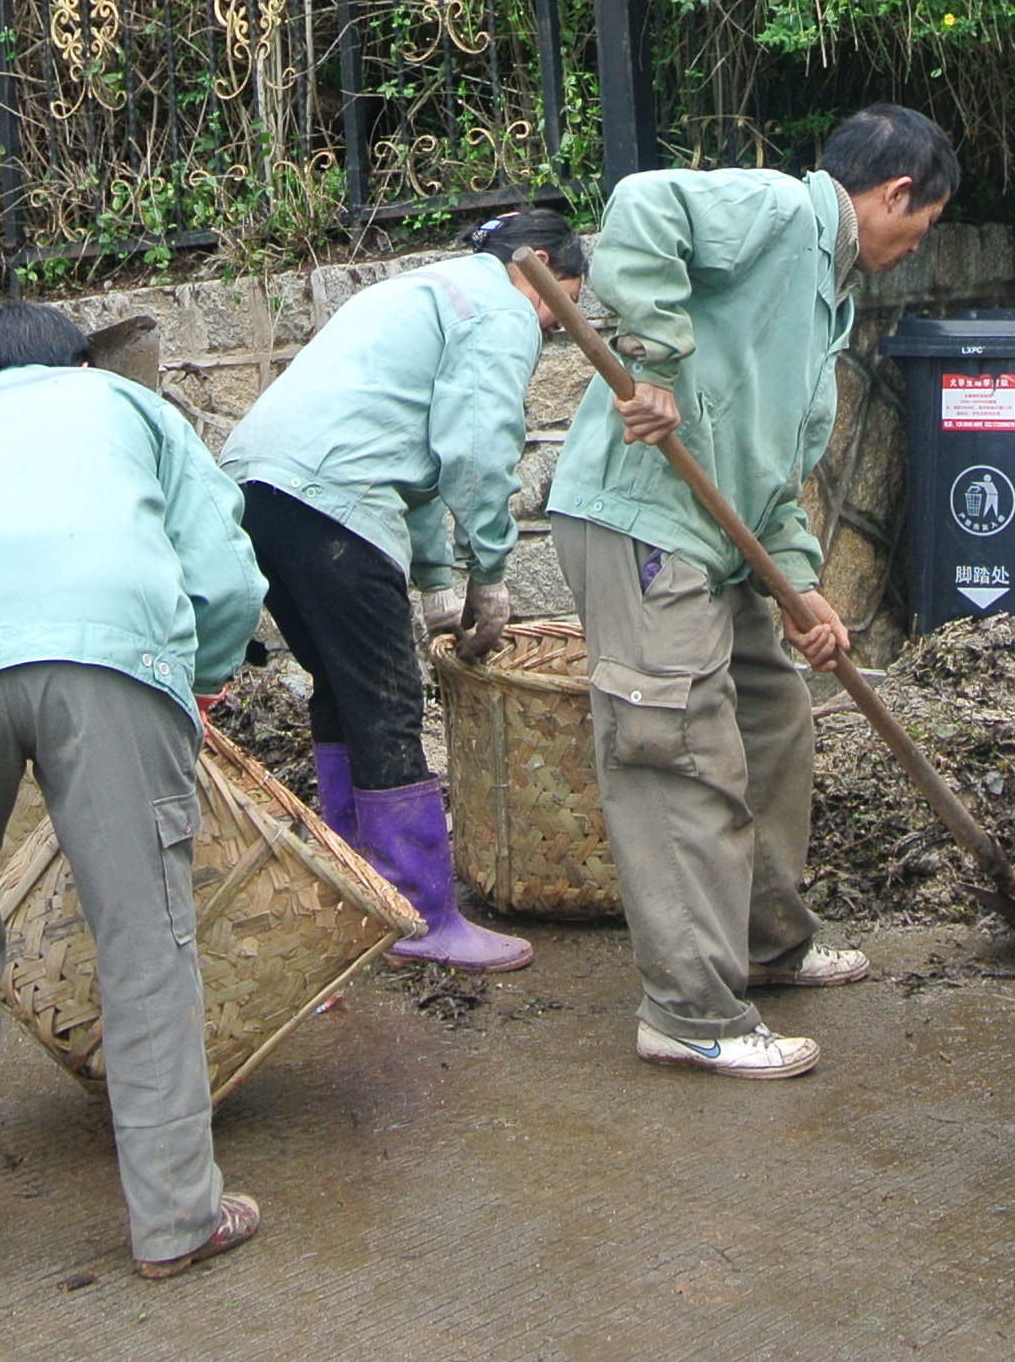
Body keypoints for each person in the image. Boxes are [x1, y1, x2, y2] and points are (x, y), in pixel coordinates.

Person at [0, 300, 271, 1276]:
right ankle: (174, 1218)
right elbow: (225, 580)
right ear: (81, 364)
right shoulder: (127, 408)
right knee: (144, 942)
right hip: (110, 654)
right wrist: (194, 682)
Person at [546, 105, 957, 1080]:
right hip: (643, 523)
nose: (914, 247)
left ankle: (767, 945)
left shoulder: (824, 298)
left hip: (720, 544)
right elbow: (642, 208)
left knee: (775, 722)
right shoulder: (777, 212)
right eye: (921, 225)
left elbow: (773, 476)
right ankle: (689, 1010)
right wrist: (652, 351)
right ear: (895, 194)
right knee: (680, 753)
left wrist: (801, 591)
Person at [221, 208, 588, 973]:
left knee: (341, 691)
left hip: (255, 489)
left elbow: (411, 455)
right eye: (565, 304)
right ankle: (420, 914)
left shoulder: (423, 290)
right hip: (333, 500)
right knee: (388, 702)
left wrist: (432, 586)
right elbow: (479, 449)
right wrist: (489, 573)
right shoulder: (502, 306)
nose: (557, 328)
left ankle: (357, 890)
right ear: (543, 266)